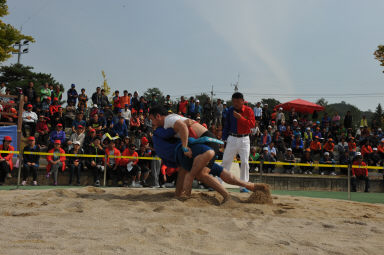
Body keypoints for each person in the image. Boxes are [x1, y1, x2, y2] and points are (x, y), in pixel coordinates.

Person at [222, 92, 255, 192]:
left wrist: (240, 118)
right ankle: (217, 182)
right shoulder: (230, 110)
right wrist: (224, 139)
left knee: (245, 162)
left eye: (237, 101)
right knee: (226, 161)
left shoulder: (249, 110)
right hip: (232, 138)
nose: (235, 103)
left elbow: (252, 125)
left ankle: (243, 186)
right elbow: (226, 125)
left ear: (242, 101)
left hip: (245, 139)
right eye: (233, 101)